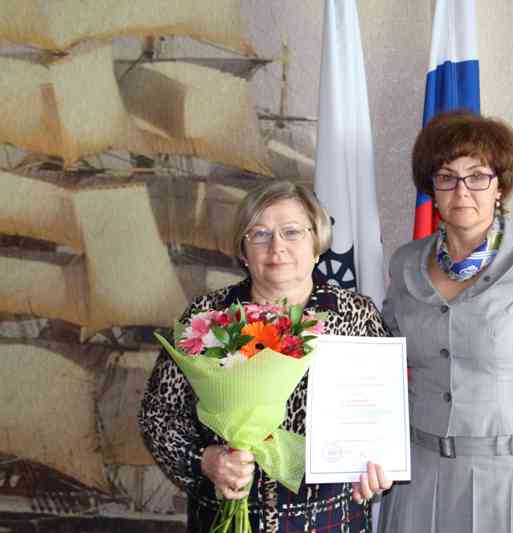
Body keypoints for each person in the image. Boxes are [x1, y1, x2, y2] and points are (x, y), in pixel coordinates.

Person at [378, 111, 513, 533]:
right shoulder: (405, 263)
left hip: (511, 484)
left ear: (500, 185)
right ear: (432, 189)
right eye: (447, 177)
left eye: (477, 176)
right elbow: (382, 370)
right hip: (419, 480)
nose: (462, 190)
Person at [140, 180, 392, 533]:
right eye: (260, 234)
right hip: (227, 517)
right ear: (243, 250)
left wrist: (382, 464)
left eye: (292, 232)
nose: (277, 246)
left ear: (316, 244)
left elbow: (387, 411)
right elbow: (158, 415)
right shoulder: (208, 315)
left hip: (328, 520)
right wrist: (204, 460)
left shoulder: (357, 315)